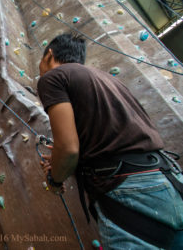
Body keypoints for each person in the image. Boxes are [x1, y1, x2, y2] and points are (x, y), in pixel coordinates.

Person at [37, 33, 183, 249]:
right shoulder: (111, 80)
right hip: (169, 179)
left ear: (49, 55)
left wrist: (54, 179)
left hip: (128, 191)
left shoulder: (54, 78)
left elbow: (68, 149)